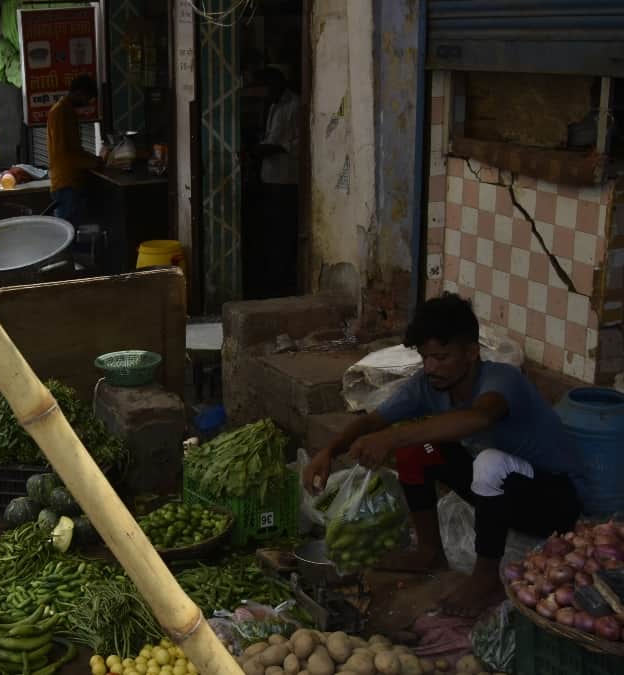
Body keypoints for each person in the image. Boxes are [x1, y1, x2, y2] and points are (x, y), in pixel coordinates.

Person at [303, 293, 583, 617]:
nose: (431, 367)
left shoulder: (502, 381)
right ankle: (428, 551)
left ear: (472, 352)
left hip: (550, 500)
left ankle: (485, 577)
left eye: (442, 357)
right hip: (496, 493)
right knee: (417, 451)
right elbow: (373, 421)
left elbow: (479, 418)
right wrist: (328, 451)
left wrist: (392, 437)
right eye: (425, 357)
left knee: (488, 462)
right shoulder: (428, 384)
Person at [249, 67, 299, 298]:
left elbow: (294, 145)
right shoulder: (273, 105)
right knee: (271, 230)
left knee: (283, 231)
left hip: (286, 178)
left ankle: (283, 280)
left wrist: (264, 149)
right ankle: (273, 278)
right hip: (269, 176)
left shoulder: (294, 106)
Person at [46, 75, 102, 225]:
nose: (86, 102)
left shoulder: (68, 111)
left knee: (75, 231)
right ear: (79, 92)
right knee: (70, 233)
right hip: (66, 184)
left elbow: (75, 150)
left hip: (72, 182)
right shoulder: (60, 112)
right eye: (87, 97)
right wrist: (94, 162)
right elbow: (65, 153)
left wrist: (94, 160)